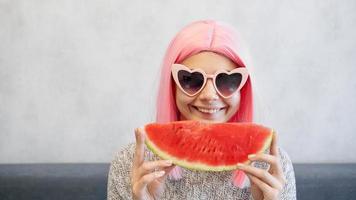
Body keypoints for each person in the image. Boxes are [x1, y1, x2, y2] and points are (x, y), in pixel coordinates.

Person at [107, 20, 296, 200]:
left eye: (227, 80)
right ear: (171, 86)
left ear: (243, 89)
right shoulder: (131, 164)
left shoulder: (272, 167)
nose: (209, 95)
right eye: (190, 79)